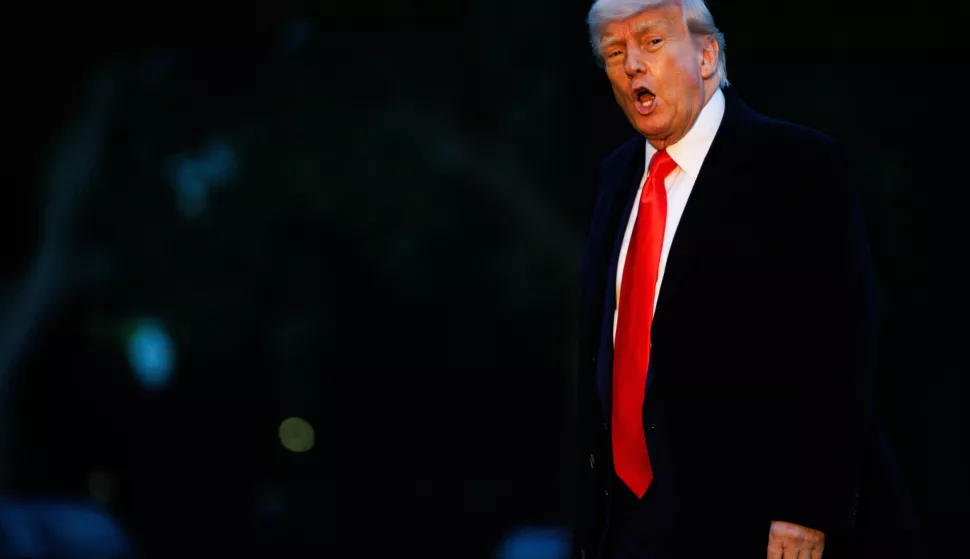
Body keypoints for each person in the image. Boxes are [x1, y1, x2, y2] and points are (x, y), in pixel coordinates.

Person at [572, 1, 926, 557]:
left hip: (756, 521)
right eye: (615, 53)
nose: (632, 64)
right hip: (627, 524)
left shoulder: (798, 166)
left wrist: (807, 507)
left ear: (707, 54)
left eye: (652, 42)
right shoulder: (614, 177)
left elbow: (838, 350)